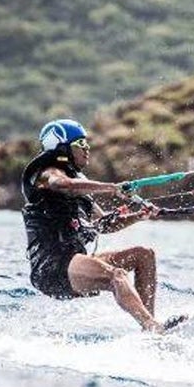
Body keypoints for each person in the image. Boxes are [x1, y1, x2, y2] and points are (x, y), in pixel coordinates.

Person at [21, 118, 176, 333]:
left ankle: (150, 329)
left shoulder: (79, 185)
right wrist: (111, 188)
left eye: (87, 144)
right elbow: (62, 184)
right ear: (62, 149)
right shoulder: (47, 173)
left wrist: (139, 215)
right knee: (117, 275)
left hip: (75, 260)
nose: (86, 150)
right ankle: (151, 326)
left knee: (144, 255)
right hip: (52, 267)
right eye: (80, 145)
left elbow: (105, 225)